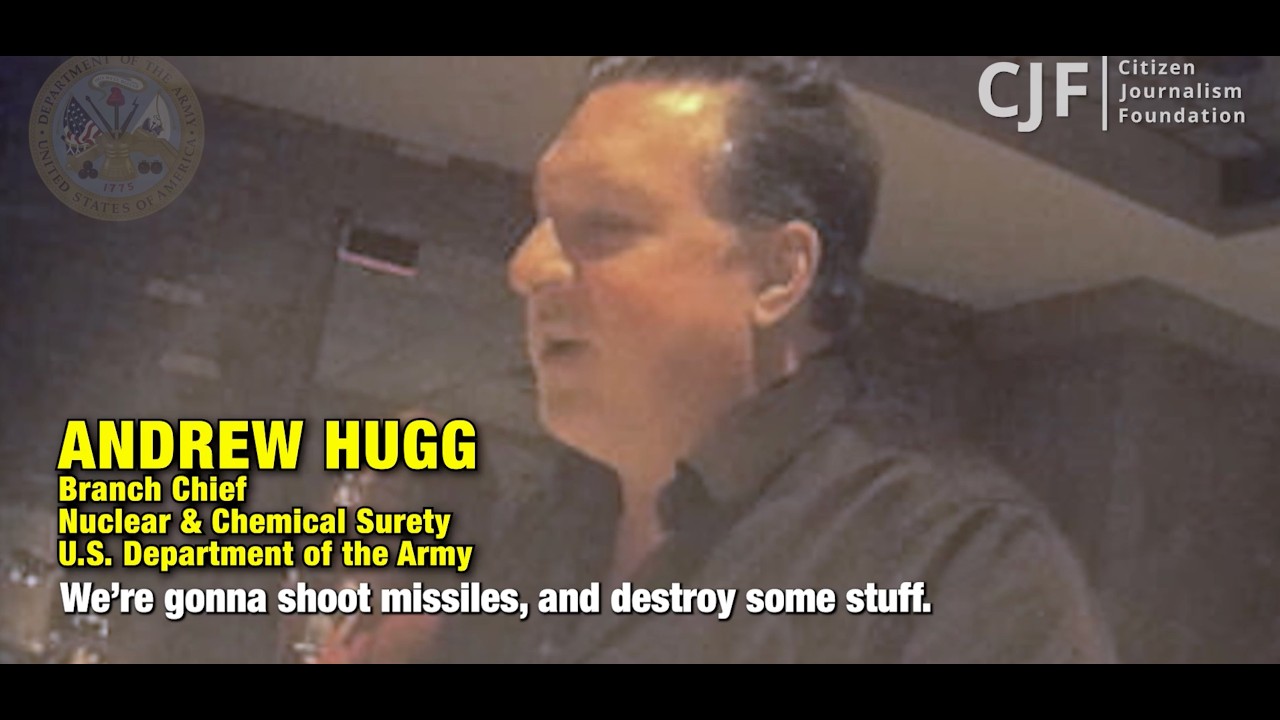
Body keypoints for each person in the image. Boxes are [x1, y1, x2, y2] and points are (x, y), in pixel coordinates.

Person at [324, 56, 1116, 663]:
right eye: (542, 220)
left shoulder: (958, 566)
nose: (526, 267)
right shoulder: (554, 521)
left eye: (605, 223)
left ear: (777, 275)